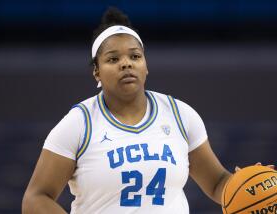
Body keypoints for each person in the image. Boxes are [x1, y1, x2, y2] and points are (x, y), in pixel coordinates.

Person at [23, 7, 239, 213]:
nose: (126, 64)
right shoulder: (79, 123)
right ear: (96, 71)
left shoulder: (180, 114)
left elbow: (217, 182)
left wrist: (249, 184)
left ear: (146, 66)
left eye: (135, 56)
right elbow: (36, 198)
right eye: (113, 59)